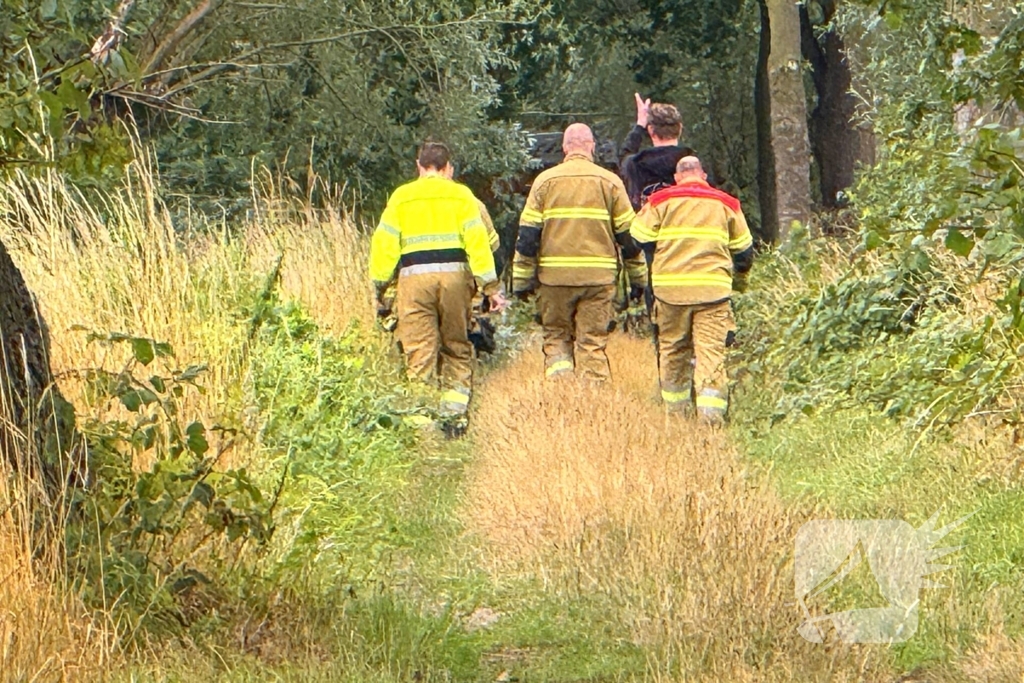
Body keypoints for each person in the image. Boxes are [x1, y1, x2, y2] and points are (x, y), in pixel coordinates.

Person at [369, 141, 507, 438]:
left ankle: (422, 429)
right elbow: (478, 245)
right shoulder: (461, 196)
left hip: (413, 280)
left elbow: (384, 246)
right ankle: (454, 419)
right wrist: (490, 287)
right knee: (456, 346)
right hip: (455, 279)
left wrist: (380, 288)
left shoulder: (401, 197)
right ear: (448, 168)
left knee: (419, 351)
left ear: (419, 166)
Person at [511, 123, 646, 381]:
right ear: (592, 146)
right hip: (598, 280)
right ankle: (593, 397)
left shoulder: (543, 182)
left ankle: (561, 394)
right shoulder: (610, 182)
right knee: (592, 342)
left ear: (564, 148)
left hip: (554, 280)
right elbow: (629, 240)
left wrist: (521, 282)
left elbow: (527, 238)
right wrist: (639, 280)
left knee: (556, 337)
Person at [629, 156, 754, 425]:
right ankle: (710, 420)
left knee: (674, 351)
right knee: (710, 353)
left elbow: (637, 238)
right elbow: (744, 253)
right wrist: (739, 281)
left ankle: (676, 418)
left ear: (677, 178)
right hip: (713, 293)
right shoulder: (726, 204)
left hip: (670, 292)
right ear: (704, 175)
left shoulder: (660, 202)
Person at [620, 94, 696, 210]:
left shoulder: (636, 164)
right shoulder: (693, 164)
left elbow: (624, 156)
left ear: (650, 130)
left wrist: (640, 125)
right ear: (680, 128)